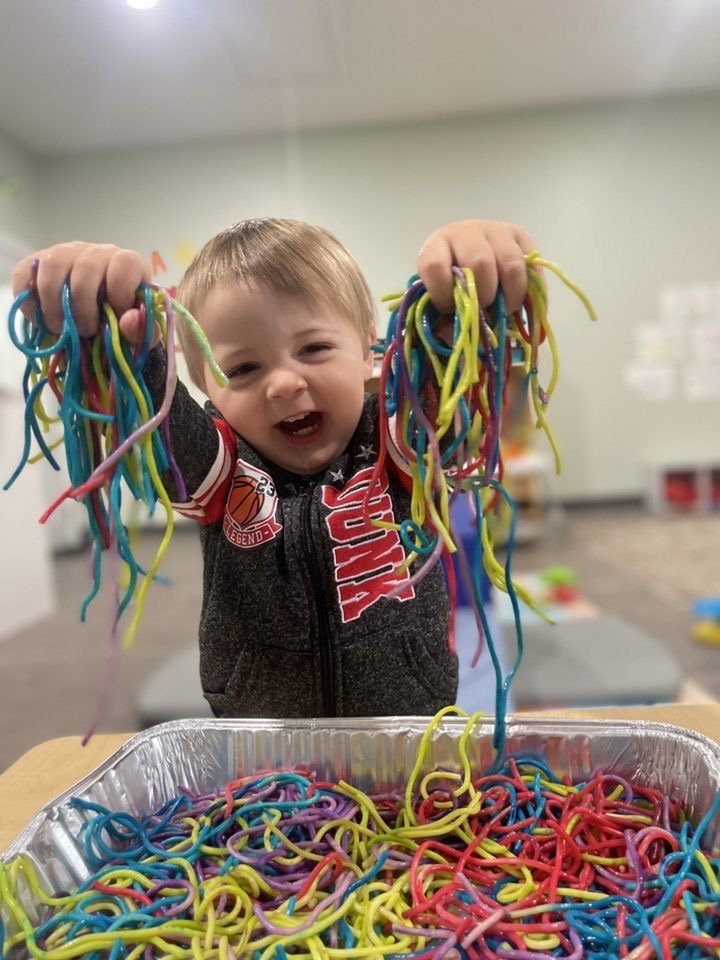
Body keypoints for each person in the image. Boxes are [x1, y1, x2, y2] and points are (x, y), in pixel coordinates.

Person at [12, 218, 537, 718]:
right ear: (207, 387)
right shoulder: (220, 463)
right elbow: (154, 414)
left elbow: (457, 374)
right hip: (262, 738)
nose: (284, 384)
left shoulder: (399, 437)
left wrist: (466, 296)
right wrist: (113, 338)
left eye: (313, 348)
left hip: (409, 725)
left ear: (367, 351)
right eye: (242, 368)